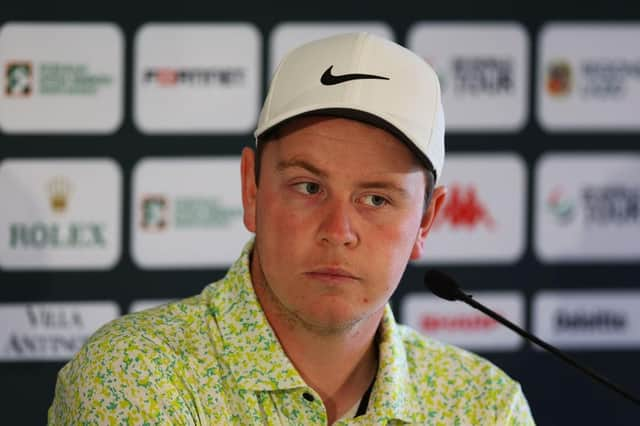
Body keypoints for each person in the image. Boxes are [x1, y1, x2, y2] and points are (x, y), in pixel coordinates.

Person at [49, 32, 535, 425]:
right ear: (251, 189)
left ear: (426, 220)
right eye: (308, 187)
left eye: (376, 199)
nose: (338, 230)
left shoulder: (484, 407)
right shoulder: (138, 373)